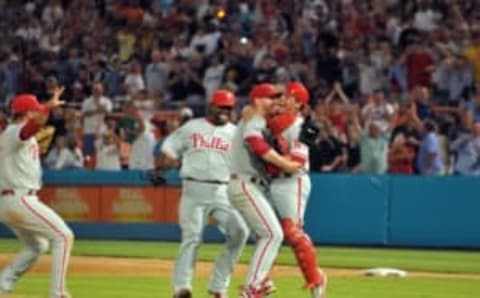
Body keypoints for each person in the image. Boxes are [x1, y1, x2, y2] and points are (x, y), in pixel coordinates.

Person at [161, 90, 249, 298]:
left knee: (240, 232)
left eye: (228, 108)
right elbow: (169, 146)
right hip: (193, 190)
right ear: (211, 106)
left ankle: (218, 286)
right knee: (192, 237)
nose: (224, 111)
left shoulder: (236, 133)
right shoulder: (193, 127)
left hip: (223, 191)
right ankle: (181, 287)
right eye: (221, 106)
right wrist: (168, 159)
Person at [227, 83, 301, 297]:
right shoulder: (254, 117)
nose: (275, 101)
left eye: (277, 97)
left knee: (267, 234)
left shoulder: (260, 120)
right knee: (272, 234)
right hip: (245, 182)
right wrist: (284, 164)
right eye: (270, 97)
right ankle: (252, 287)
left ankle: (262, 280)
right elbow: (255, 142)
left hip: (252, 184)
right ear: (258, 101)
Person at [0, 88, 74, 298]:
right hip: (19, 198)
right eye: (34, 109)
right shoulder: (15, 132)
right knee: (64, 236)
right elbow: (34, 126)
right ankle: (58, 293)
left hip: (11, 200)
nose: (37, 112)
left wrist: (45, 107)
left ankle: (3, 284)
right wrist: (48, 106)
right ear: (28, 112)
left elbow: (34, 127)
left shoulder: (10, 133)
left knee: (37, 245)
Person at [266, 82, 327, 298]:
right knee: (267, 232)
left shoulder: (301, 127)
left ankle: (316, 278)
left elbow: (297, 162)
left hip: (294, 180)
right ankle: (263, 280)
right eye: (282, 96)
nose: (283, 100)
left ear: (299, 104)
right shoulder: (272, 122)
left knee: (292, 233)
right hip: (273, 181)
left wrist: (271, 161)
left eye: (289, 97)